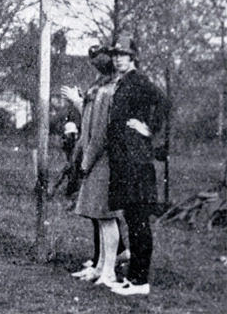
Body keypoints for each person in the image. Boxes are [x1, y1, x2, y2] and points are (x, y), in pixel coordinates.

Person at [104, 35, 170, 296]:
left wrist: (149, 128)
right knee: (132, 219)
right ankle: (132, 278)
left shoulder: (139, 80)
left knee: (139, 221)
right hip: (125, 160)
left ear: (133, 57)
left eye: (124, 54)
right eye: (116, 54)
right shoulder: (124, 82)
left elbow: (164, 102)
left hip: (137, 161)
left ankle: (140, 281)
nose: (118, 58)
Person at [62, 45, 125, 287]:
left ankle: (109, 271)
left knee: (106, 217)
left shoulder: (108, 92)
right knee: (98, 217)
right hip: (94, 160)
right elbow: (88, 126)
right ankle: (99, 266)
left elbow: (100, 135)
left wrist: (85, 162)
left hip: (103, 162)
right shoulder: (98, 90)